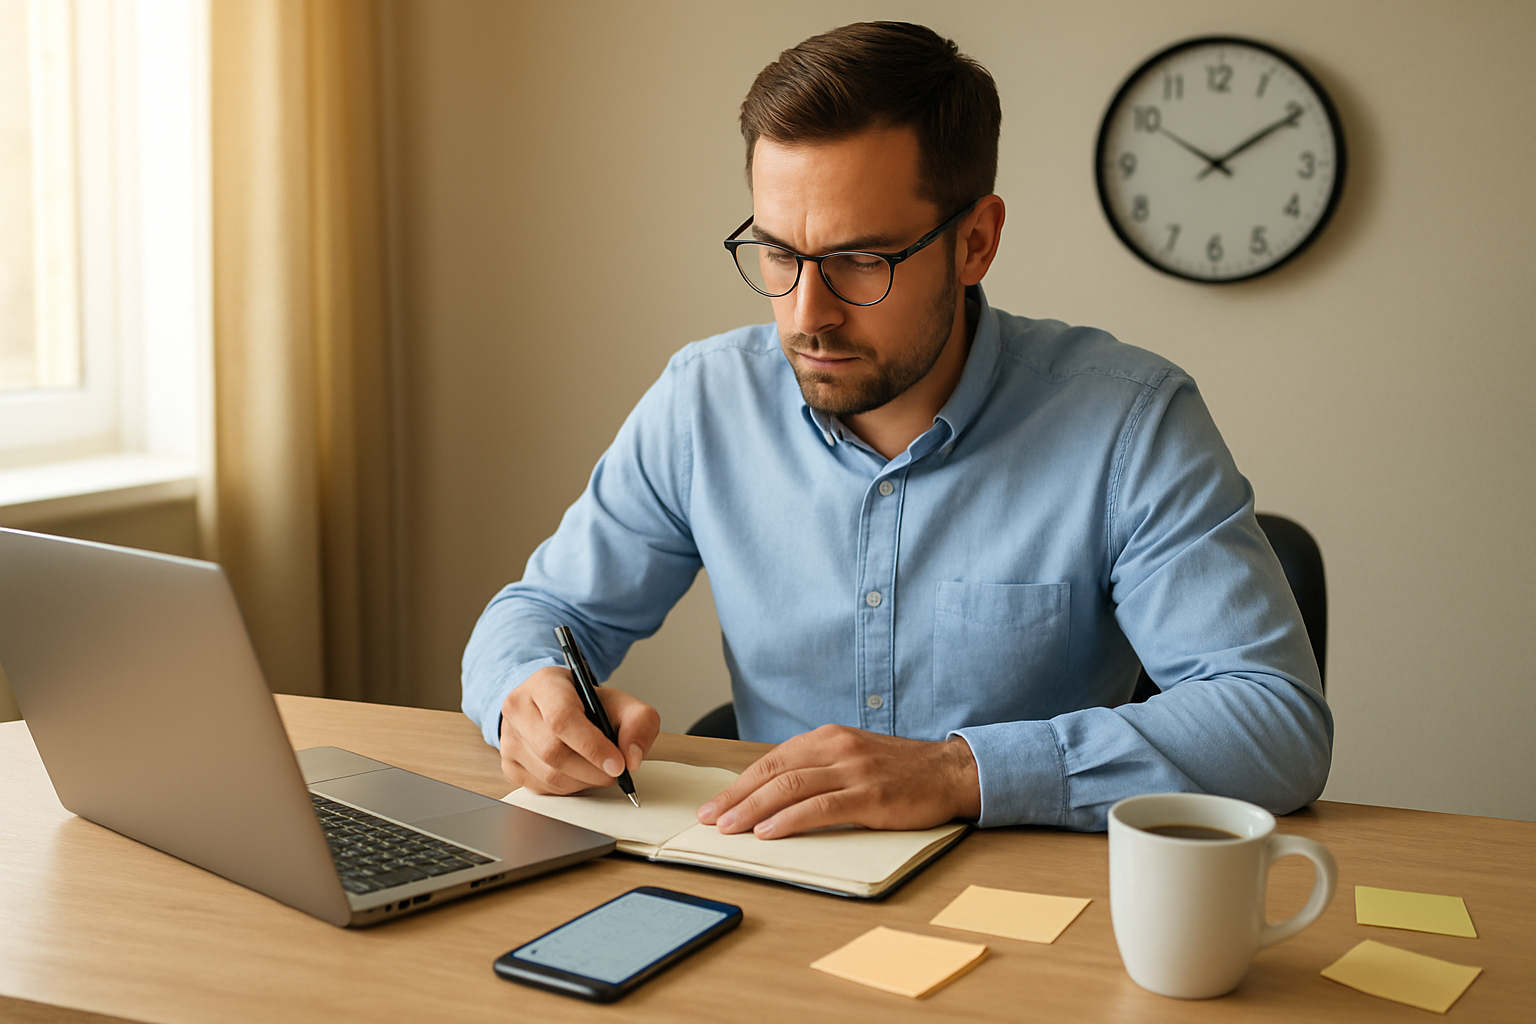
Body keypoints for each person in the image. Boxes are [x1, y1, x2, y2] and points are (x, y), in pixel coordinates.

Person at [462, 21, 1331, 837]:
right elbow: (542, 611)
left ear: (976, 243)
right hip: (780, 882)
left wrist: (959, 774)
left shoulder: (1129, 423)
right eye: (777, 253)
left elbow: (1274, 720)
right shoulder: (703, 402)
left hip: (1028, 907)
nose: (808, 315)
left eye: (859, 260)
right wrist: (527, 695)